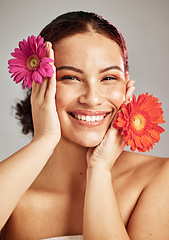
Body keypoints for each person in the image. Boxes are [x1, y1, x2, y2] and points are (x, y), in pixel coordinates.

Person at [0, 11, 169, 240]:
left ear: (126, 87)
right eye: (71, 77)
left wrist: (99, 170)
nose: (92, 98)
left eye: (108, 78)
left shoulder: (159, 178)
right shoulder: (11, 192)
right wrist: (45, 139)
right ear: (38, 84)